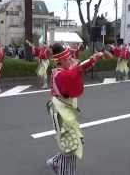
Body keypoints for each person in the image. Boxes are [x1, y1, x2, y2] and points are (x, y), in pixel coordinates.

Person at [46, 43, 112, 175]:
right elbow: (75, 72)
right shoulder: (60, 75)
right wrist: (93, 59)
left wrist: (95, 58)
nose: (71, 60)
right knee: (71, 146)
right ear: (61, 61)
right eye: (68, 58)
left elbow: (78, 68)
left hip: (65, 111)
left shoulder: (62, 71)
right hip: (61, 113)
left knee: (70, 143)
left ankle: (54, 162)